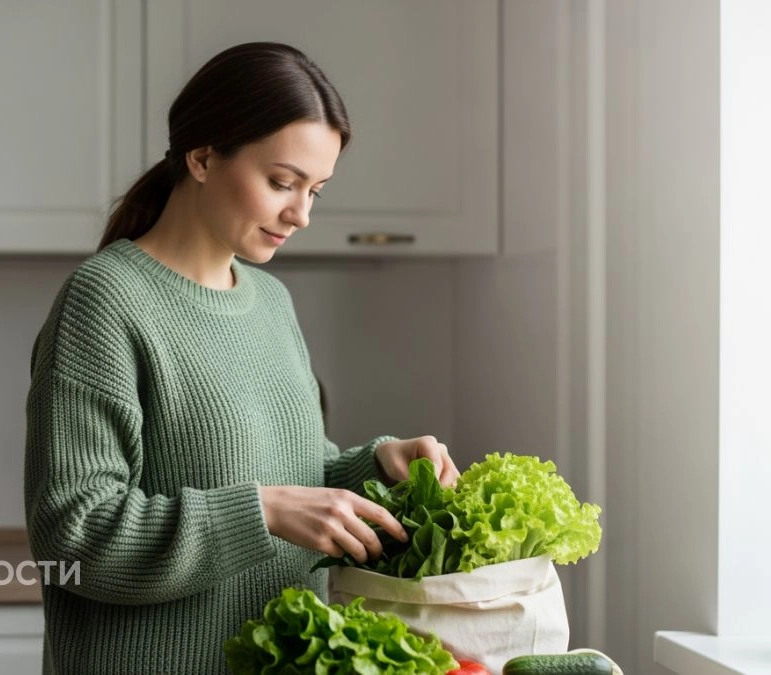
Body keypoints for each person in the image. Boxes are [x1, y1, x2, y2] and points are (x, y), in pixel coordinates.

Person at [23, 41, 460, 674]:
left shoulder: (270, 301)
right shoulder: (105, 301)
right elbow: (74, 535)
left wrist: (375, 467)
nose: (301, 214)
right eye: (282, 182)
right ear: (202, 157)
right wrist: (261, 511)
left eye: (317, 190)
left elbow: (291, 479)